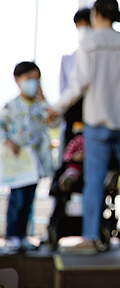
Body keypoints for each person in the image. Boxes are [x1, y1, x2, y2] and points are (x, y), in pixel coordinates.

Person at [47, 0, 120, 255]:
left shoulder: (89, 45)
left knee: (94, 181)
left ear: (96, 14)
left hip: (97, 124)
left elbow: (78, 85)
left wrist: (57, 108)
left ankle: (89, 238)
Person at [0, 62, 53, 254]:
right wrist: (8, 141)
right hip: (17, 164)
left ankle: (23, 236)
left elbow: (54, 121)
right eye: (28, 78)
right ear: (18, 80)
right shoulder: (12, 106)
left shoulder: (40, 106)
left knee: (29, 200)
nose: (33, 83)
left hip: (35, 163)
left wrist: (43, 99)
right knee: (17, 200)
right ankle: (12, 236)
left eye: (36, 78)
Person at [59, 8, 92, 148]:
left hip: (94, 114)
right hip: (74, 114)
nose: (83, 29)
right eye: (79, 25)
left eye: (86, 24)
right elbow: (65, 89)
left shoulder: (103, 56)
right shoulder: (68, 59)